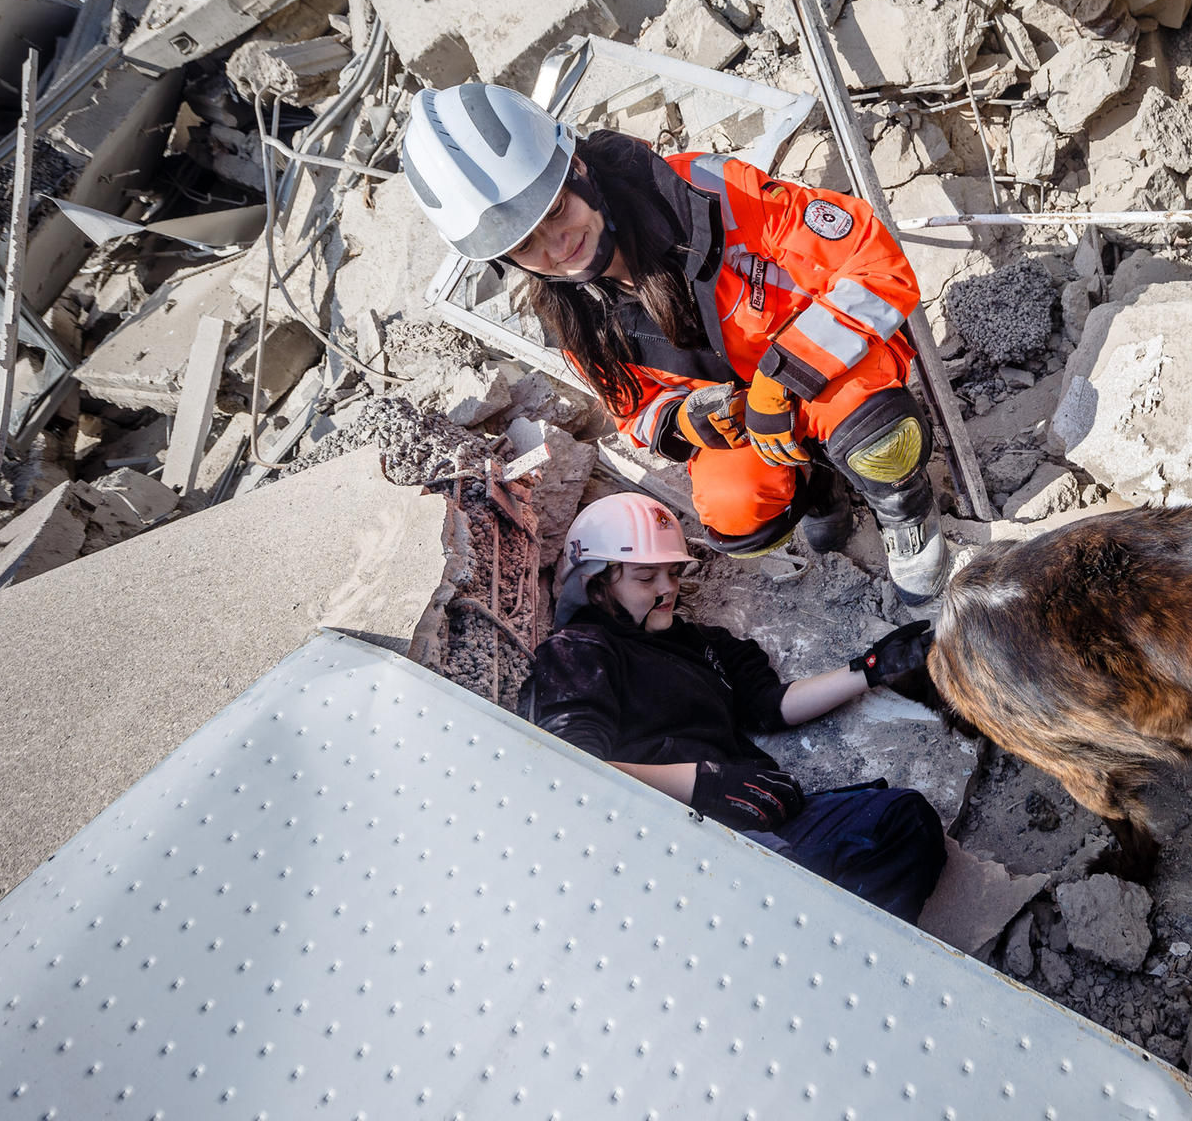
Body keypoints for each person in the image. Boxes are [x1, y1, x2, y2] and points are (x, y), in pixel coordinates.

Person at [401, 81, 948, 603]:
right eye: (526, 244)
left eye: (555, 211)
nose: (558, 245)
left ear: (580, 172)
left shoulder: (709, 198)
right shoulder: (573, 319)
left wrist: (785, 378)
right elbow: (634, 412)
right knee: (737, 515)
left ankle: (905, 512)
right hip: (750, 421)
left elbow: (875, 264)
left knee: (878, 438)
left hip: (829, 374)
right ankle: (818, 487)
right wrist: (685, 422)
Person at [517, 492, 946, 924]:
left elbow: (770, 706)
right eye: (646, 577)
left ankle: (862, 952)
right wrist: (704, 784)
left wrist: (869, 669)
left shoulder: (702, 644)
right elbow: (570, 769)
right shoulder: (578, 650)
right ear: (597, 585)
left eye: (672, 572)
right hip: (670, 840)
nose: (667, 588)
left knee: (901, 820)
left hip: (760, 817)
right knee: (781, 881)